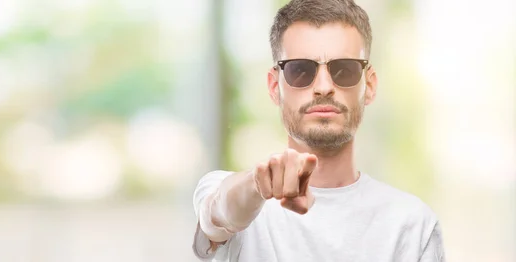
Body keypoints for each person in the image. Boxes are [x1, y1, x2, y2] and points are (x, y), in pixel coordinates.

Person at [191, 0, 446, 261]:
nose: (324, 87)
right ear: (273, 86)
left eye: (344, 69)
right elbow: (218, 215)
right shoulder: (226, 190)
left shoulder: (414, 226)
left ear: (369, 86)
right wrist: (258, 185)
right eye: (300, 70)